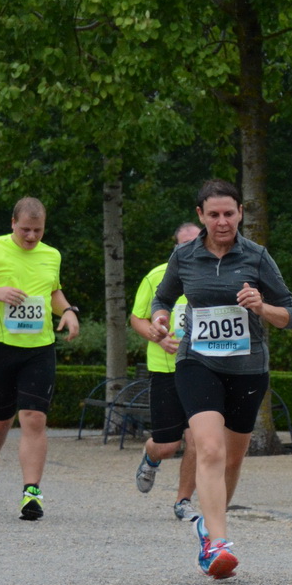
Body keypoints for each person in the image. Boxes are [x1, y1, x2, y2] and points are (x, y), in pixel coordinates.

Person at [150, 180, 292, 578]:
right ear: (200, 215)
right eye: (214, 214)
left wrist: (262, 306)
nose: (222, 222)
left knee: (233, 456)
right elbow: (162, 297)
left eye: (229, 214)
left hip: (248, 367)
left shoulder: (256, 256)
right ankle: (218, 543)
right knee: (210, 448)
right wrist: (160, 318)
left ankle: (206, 526)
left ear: (240, 213)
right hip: (197, 362)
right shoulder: (184, 256)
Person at [0, 197, 79, 519]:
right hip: (0, 346)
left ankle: (31, 493)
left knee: (34, 417)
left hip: (39, 347)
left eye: (38, 230)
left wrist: (69, 312)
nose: (31, 237)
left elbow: (53, 292)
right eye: (25, 230)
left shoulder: (52, 255)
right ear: (12, 224)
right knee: (0, 419)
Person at [130, 222, 203, 520]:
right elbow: (136, 318)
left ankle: (183, 502)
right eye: (183, 245)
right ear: (175, 248)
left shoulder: (216, 275)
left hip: (203, 368)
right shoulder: (158, 276)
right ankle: (151, 455)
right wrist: (155, 334)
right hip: (165, 369)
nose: (189, 249)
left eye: (195, 242)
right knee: (168, 445)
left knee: (199, 439)